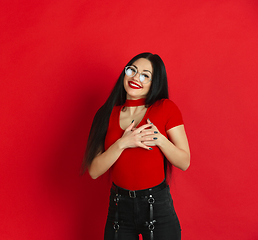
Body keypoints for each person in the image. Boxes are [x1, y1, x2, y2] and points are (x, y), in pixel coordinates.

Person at [81, 52, 190, 240]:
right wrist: (123, 143)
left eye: (145, 75)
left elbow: (184, 162)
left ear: (154, 82)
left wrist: (160, 140)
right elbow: (94, 171)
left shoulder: (165, 108)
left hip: (157, 207)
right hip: (119, 209)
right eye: (132, 70)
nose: (135, 78)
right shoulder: (106, 114)